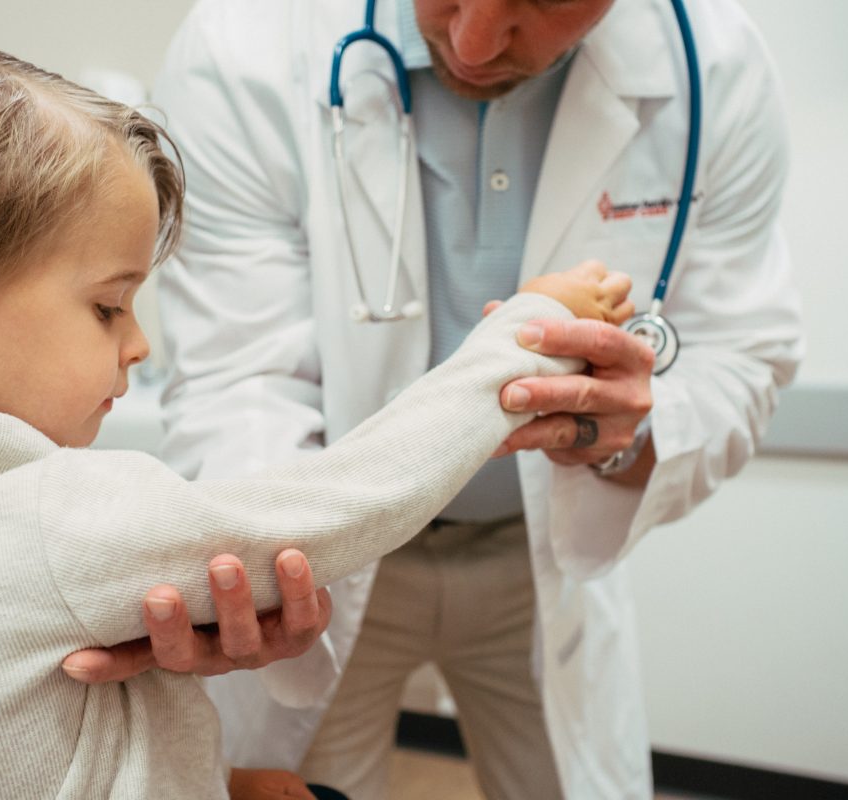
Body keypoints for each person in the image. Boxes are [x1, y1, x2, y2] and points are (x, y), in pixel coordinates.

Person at [0, 25, 637, 799]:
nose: (138, 344)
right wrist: (525, 334)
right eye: (108, 306)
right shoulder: (52, 521)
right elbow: (353, 498)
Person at [71, 0, 805, 797]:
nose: (474, 40)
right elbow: (240, 376)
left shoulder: (716, 71)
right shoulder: (245, 41)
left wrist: (626, 435)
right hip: (329, 562)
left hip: (539, 559)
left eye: (545, 2)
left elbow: (743, 356)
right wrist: (263, 568)